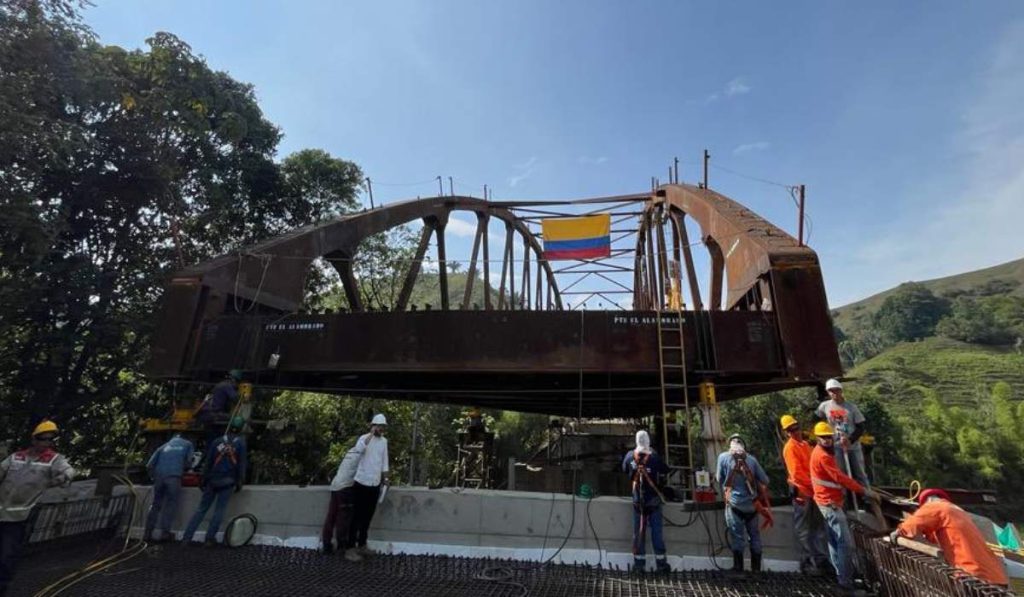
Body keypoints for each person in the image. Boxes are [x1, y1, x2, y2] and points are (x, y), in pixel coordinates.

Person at [0, 421, 75, 597]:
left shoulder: (53, 460)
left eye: (50, 439)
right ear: (34, 439)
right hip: (1, 511)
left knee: (6, 555)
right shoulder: (16, 457)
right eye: (43, 439)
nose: (46, 443)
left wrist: (60, 479)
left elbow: (69, 471)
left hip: (20, 516)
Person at [810, 422, 877, 594]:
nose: (827, 440)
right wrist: (864, 491)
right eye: (823, 437)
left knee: (833, 542)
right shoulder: (823, 456)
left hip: (828, 502)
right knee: (846, 545)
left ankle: (841, 576)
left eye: (828, 436)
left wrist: (845, 440)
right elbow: (840, 478)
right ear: (817, 438)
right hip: (830, 504)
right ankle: (845, 583)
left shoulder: (826, 450)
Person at [892, 488, 1008, 587]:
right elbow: (945, 537)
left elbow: (913, 523)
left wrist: (897, 533)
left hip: (972, 575)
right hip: (996, 577)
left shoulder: (935, 506)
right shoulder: (958, 512)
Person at [183, 416, 247, 546]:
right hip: (228, 482)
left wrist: (203, 479)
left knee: (201, 509)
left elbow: (209, 462)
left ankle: (187, 537)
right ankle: (209, 539)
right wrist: (240, 481)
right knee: (219, 511)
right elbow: (241, 464)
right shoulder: (240, 443)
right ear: (241, 429)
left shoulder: (217, 441)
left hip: (212, 481)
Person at [780, 414, 831, 575]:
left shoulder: (806, 446)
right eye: (791, 430)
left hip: (814, 492)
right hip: (803, 494)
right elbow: (797, 474)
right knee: (803, 529)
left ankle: (821, 561)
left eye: (796, 427)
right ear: (786, 432)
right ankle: (807, 562)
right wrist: (816, 484)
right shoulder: (790, 448)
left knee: (818, 528)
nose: (795, 431)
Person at [716, 433, 770, 573]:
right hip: (752, 506)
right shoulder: (752, 460)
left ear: (730, 445)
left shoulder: (723, 458)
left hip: (735, 505)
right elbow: (765, 480)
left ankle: (738, 569)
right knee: (755, 537)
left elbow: (718, 479)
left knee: (737, 537)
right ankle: (756, 570)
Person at [621, 430, 671, 573]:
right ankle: (661, 565)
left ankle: (639, 565)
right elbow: (666, 470)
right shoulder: (654, 457)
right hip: (653, 502)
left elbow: (624, 469)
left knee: (638, 533)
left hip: (638, 503)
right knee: (656, 533)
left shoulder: (630, 456)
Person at [321, 434, 368, 561]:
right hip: (345, 488)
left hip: (335, 485)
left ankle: (326, 545)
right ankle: (342, 547)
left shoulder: (350, 452)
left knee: (331, 516)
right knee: (344, 518)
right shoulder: (361, 456)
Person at [816, 379, 870, 488]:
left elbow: (861, 426)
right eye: (831, 391)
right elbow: (817, 419)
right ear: (828, 392)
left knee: (860, 474)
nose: (834, 393)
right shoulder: (824, 406)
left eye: (836, 390)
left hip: (853, 446)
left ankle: (869, 500)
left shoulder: (851, 407)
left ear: (841, 391)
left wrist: (850, 440)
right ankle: (845, 500)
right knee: (840, 474)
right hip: (836, 446)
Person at [349, 414, 389, 556]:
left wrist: (385, 478)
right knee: (356, 517)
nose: (381, 429)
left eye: (383, 427)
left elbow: (384, 461)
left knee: (367, 517)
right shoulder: (364, 439)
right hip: (361, 483)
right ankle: (350, 548)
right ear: (373, 426)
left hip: (374, 483)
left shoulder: (384, 442)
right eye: (379, 426)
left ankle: (362, 544)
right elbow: (358, 449)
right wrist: (370, 435)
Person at [144, 433, 195, 542]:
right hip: (174, 477)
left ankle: (147, 533)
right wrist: (185, 469)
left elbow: (149, 465)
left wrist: (153, 477)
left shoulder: (162, 447)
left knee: (155, 504)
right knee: (170, 504)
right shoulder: (188, 444)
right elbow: (189, 462)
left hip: (159, 477)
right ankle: (165, 533)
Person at [197, 370, 242, 443]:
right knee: (235, 419)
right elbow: (235, 398)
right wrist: (242, 394)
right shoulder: (227, 386)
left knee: (211, 439)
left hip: (207, 414)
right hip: (215, 414)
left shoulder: (219, 384)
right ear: (234, 379)